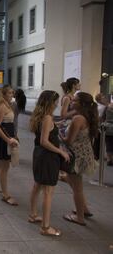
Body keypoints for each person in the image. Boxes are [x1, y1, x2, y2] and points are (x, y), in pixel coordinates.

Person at [29, 90, 69, 237]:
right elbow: (44, 141)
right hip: (47, 157)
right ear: (50, 103)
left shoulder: (40, 116)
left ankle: (33, 214)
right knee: (48, 192)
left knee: (37, 185)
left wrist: (55, 123)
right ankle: (45, 227)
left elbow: (45, 131)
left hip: (39, 155)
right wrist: (60, 152)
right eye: (56, 101)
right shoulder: (46, 118)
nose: (57, 104)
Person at [61, 92, 98, 226]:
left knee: (77, 188)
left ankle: (80, 217)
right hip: (83, 154)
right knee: (72, 181)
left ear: (81, 104)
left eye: (74, 100)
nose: (71, 101)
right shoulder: (87, 116)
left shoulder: (78, 119)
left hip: (76, 156)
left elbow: (68, 141)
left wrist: (58, 134)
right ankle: (84, 209)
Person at [0, 85, 19, 206]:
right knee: (4, 167)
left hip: (7, 137)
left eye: (12, 93)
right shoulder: (2, 107)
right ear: (4, 94)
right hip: (3, 139)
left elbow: (10, 124)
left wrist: (14, 136)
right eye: (10, 93)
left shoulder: (7, 105)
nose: (12, 95)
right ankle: (6, 195)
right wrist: (8, 140)